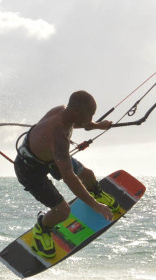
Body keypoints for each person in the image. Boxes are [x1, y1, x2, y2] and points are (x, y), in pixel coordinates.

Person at [14, 90, 120, 258]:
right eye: (90, 114)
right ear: (76, 111)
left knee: (88, 175)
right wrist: (95, 206)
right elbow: (69, 177)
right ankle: (42, 229)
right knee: (63, 211)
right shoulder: (59, 135)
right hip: (29, 170)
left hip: (48, 158)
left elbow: (82, 124)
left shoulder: (63, 111)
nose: (91, 117)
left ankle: (96, 193)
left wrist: (99, 125)